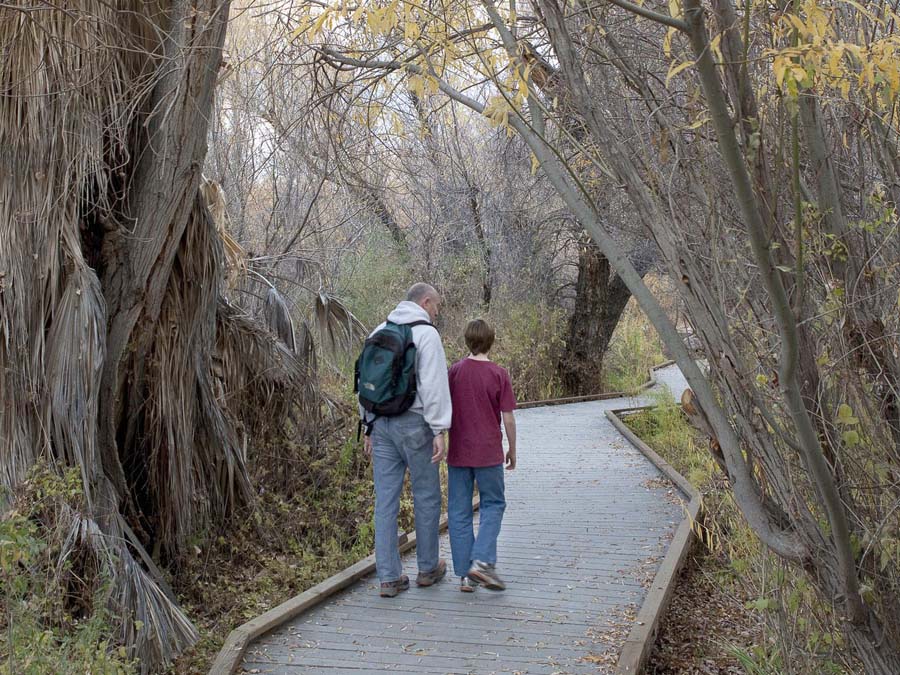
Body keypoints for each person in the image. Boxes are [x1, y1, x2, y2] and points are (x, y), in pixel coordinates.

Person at [362, 283, 451, 597]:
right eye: (436, 308)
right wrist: (439, 430)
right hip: (414, 425)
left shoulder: (379, 329)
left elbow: (366, 381)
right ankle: (427, 569)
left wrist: (368, 425)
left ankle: (388, 577)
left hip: (381, 425)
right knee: (426, 495)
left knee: (385, 501)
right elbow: (434, 386)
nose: (436, 314)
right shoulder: (426, 335)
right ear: (426, 302)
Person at [447, 319, 517, 592]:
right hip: (489, 452)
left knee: (459, 511)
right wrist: (512, 448)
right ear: (491, 341)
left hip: (458, 451)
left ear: (467, 341)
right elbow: (508, 418)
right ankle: (483, 562)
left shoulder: (454, 372)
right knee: (494, 504)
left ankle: (466, 575)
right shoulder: (499, 374)